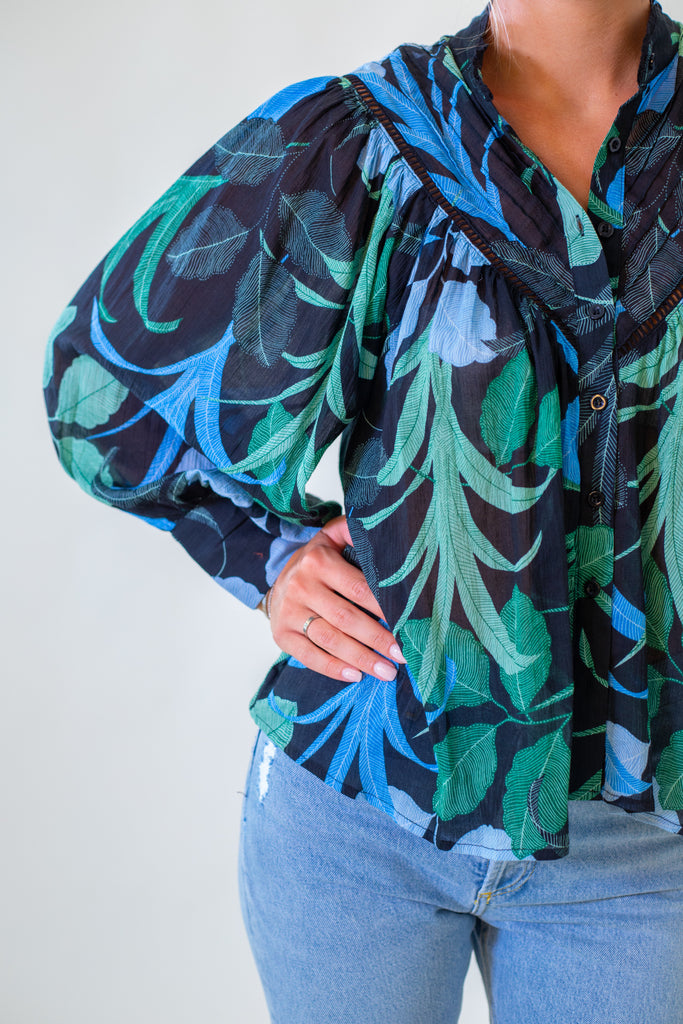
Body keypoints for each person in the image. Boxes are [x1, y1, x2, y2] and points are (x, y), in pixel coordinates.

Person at [43, 0, 683, 1019]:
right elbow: (103, 391)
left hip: (638, 851)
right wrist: (263, 552)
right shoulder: (359, 144)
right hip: (362, 806)